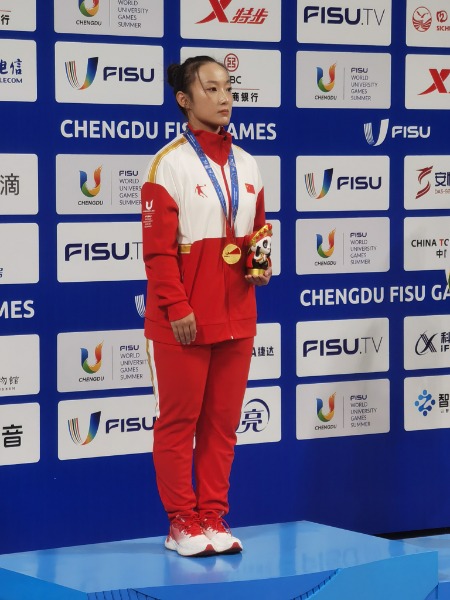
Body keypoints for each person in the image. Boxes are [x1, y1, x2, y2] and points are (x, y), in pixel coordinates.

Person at [141, 55, 271, 558]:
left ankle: (213, 516)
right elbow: (157, 251)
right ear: (184, 100)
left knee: (222, 425)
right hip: (184, 320)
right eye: (211, 89)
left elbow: (258, 229)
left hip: (237, 315)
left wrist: (260, 263)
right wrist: (176, 308)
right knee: (178, 424)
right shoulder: (168, 164)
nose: (224, 98)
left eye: (228, 88)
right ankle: (181, 522)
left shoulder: (248, 163)